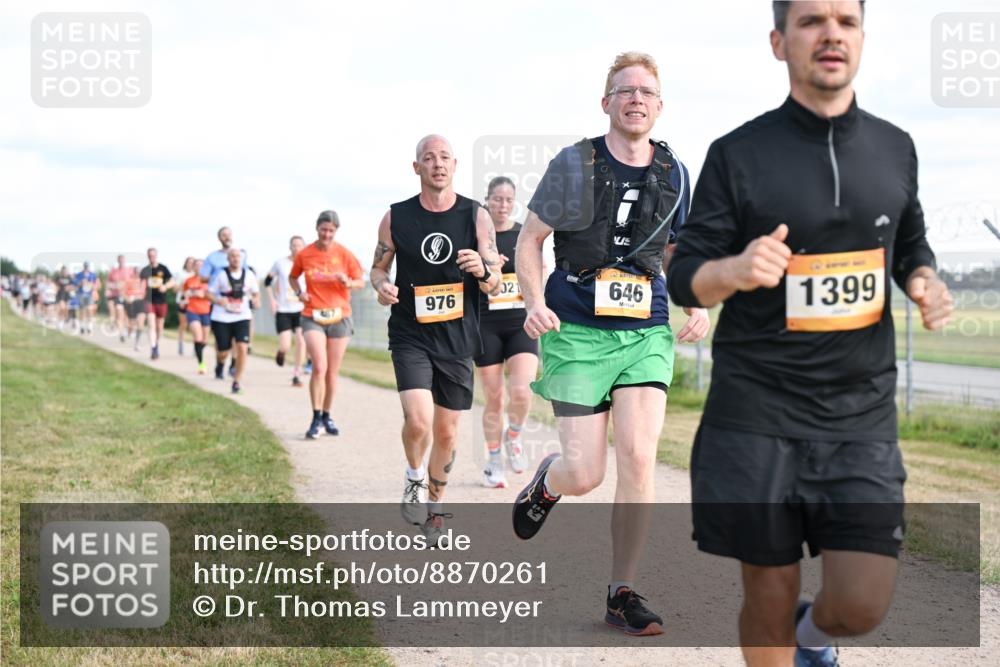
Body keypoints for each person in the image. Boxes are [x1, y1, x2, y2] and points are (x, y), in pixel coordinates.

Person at [665, 3, 955, 665]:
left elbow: (910, 246)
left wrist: (923, 280)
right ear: (778, 41)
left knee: (861, 602)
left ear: (860, 38)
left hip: (859, 414)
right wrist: (736, 269)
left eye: (846, 21)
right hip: (755, 410)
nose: (831, 33)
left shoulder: (895, 146)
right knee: (767, 585)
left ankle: (812, 639)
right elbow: (684, 275)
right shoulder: (737, 154)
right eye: (811, 20)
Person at [511, 52, 710, 637]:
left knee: (640, 457)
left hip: (644, 328)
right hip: (574, 325)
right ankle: (550, 479)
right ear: (607, 103)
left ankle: (622, 590)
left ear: (659, 105)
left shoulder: (675, 172)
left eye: (647, 91)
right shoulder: (574, 164)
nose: (636, 99)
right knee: (585, 471)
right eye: (625, 90)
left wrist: (694, 299)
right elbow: (530, 241)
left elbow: (675, 249)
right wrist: (533, 302)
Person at [370, 134, 502, 545]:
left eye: (444, 157)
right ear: (417, 168)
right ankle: (413, 476)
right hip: (411, 333)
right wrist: (381, 286)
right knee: (419, 419)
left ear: (455, 165)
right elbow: (376, 268)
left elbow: (495, 284)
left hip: (458, 339)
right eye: (429, 158)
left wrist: (481, 269)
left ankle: (434, 509)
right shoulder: (396, 217)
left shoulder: (476, 216)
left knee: (446, 434)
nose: (437, 164)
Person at [475, 176, 538, 489]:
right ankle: (493, 459)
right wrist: (488, 270)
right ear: (487, 200)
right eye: (496, 199)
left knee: (522, 391)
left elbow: (538, 274)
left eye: (508, 200)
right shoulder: (478, 238)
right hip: (486, 325)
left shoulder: (522, 235)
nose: (502, 205)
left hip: (519, 324)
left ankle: (514, 434)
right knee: (494, 399)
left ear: (514, 203)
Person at [290, 213, 364, 438]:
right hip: (312, 315)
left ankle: (326, 415)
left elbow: (360, 281)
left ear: (336, 231)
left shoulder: (344, 254)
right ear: (316, 229)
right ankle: (315, 416)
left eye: (331, 231)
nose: (326, 234)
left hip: (340, 317)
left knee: (332, 372)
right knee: (319, 367)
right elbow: (293, 277)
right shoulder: (305, 254)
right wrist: (299, 292)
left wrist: (348, 282)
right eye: (323, 229)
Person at [208, 246, 260, 393]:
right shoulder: (220, 275)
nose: (236, 259)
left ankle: (236, 382)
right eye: (233, 256)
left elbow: (256, 294)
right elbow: (209, 294)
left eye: (238, 256)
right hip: (222, 317)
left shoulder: (249, 275)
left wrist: (256, 301)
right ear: (228, 259)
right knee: (224, 351)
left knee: (242, 347)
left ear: (241, 258)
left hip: (242, 316)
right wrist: (219, 301)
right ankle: (220, 363)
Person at [201, 227, 248, 376]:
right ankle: (220, 361)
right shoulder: (212, 257)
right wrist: (222, 277)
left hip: (238, 302)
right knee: (223, 341)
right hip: (219, 302)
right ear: (219, 238)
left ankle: (234, 364)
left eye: (229, 234)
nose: (227, 237)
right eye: (224, 235)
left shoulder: (240, 255)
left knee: (238, 339)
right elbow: (203, 277)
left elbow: (246, 274)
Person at [267, 236, 308, 387]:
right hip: (283, 308)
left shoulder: (308, 263)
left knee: (301, 341)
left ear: (304, 247)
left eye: (299, 245)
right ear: (290, 247)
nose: (297, 248)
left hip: (301, 308)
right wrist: (272, 299)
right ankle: (281, 352)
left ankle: (297, 374)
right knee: (285, 344)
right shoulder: (280, 263)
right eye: (294, 245)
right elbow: (267, 281)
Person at [139, 248, 174, 360]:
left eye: (153, 255)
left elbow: (172, 281)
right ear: (147, 256)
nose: (151, 257)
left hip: (161, 301)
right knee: (151, 324)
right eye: (149, 255)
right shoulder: (145, 270)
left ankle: (156, 344)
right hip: (149, 300)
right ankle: (153, 348)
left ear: (156, 255)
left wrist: (166, 286)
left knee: (159, 326)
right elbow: (141, 285)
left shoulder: (163, 269)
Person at [182, 259, 212, 374]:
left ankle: (197, 349)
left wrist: (204, 295)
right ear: (193, 267)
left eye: (201, 266)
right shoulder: (189, 281)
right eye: (196, 266)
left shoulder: (209, 280)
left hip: (205, 311)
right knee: (198, 338)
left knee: (204, 340)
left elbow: (214, 295)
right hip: (192, 310)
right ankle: (201, 364)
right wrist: (187, 296)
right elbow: (184, 293)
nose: (199, 268)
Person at [106, 255, 133, 342]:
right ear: (118, 261)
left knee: (127, 316)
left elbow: (134, 283)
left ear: (124, 261)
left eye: (122, 260)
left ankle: (128, 330)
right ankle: (121, 333)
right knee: (119, 312)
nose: (121, 262)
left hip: (128, 296)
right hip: (117, 296)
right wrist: (114, 286)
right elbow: (107, 284)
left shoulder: (130, 271)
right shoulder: (113, 271)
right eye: (119, 260)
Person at [176, 256, 195, 355]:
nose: (191, 264)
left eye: (193, 262)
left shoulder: (196, 274)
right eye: (189, 262)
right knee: (183, 324)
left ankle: (195, 347)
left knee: (194, 325)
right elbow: (176, 288)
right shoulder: (180, 274)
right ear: (186, 263)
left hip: (193, 302)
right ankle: (181, 344)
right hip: (182, 301)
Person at [73, 262, 99, 335]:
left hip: (89, 294)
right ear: (84, 267)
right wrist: (81, 283)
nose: (86, 268)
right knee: (82, 310)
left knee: (89, 309)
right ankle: (82, 326)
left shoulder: (92, 275)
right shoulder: (79, 275)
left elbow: (96, 284)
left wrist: (93, 286)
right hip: (81, 294)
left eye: (87, 266)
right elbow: (75, 284)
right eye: (85, 266)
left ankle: (89, 327)